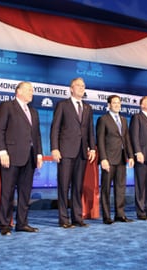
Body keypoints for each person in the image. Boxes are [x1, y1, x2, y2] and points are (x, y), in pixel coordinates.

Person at [0, 82, 43, 235]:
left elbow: (37, 135)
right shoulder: (7, 106)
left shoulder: (33, 111)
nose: (31, 92)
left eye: (32, 90)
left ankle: (22, 223)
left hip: (29, 157)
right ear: (18, 91)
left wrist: (39, 154)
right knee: (7, 192)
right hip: (10, 156)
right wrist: (2, 152)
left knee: (25, 192)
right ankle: (4, 225)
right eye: (28, 90)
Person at [50, 77, 96, 228]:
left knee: (78, 186)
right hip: (65, 151)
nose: (81, 88)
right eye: (78, 86)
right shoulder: (63, 105)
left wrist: (93, 148)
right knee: (64, 186)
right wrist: (55, 148)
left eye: (83, 86)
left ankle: (77, 218)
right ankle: (64, 219)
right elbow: (55, 128)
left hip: (82, 152)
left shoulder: (88, 108)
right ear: (71, 88)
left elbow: (90, 130)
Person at [96, 95, 135, 224]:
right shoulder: (103, 119)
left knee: (120, 188)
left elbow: (127, 139)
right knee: (106, 188)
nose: (117, 105)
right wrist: (103, 158)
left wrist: (130, 156)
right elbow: (100, 140)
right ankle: (107, 216)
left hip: (122, 159)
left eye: (119, 103)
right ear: (109, 105)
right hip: (109, 159)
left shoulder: (124, 120)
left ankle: (120, 214)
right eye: (114, 103)